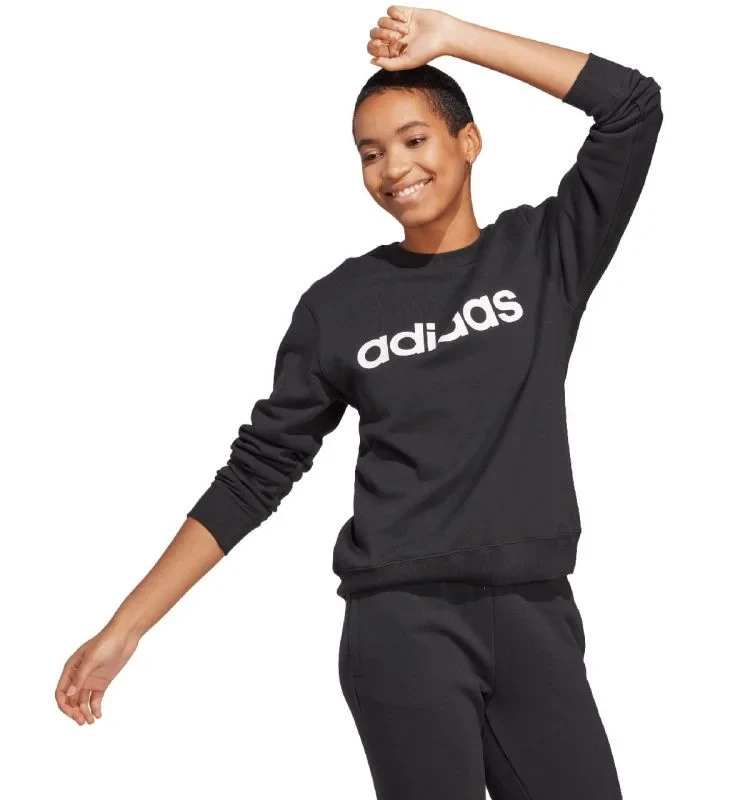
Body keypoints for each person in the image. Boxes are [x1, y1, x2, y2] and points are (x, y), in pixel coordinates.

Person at [55, 6, 662, 799]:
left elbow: (631, 105)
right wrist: (126, 628)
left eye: (414, 140)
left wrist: (455, 39)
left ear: (468, 142)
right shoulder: (340, 306)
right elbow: (255, 475)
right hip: (402, 626)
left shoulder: (544, 254)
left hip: (536, 614)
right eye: (370, 153)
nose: (392, 168)